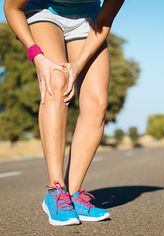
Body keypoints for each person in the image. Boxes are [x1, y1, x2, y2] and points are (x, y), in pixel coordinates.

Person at [4, 0, 125, 226]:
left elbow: (105, 20)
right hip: (44, 14)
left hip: (89, 20)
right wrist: (37, 56)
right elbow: (11, 8)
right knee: (56, 82)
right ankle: (56, 191)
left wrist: (77, 66)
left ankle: (74, 194)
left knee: (97, 103)